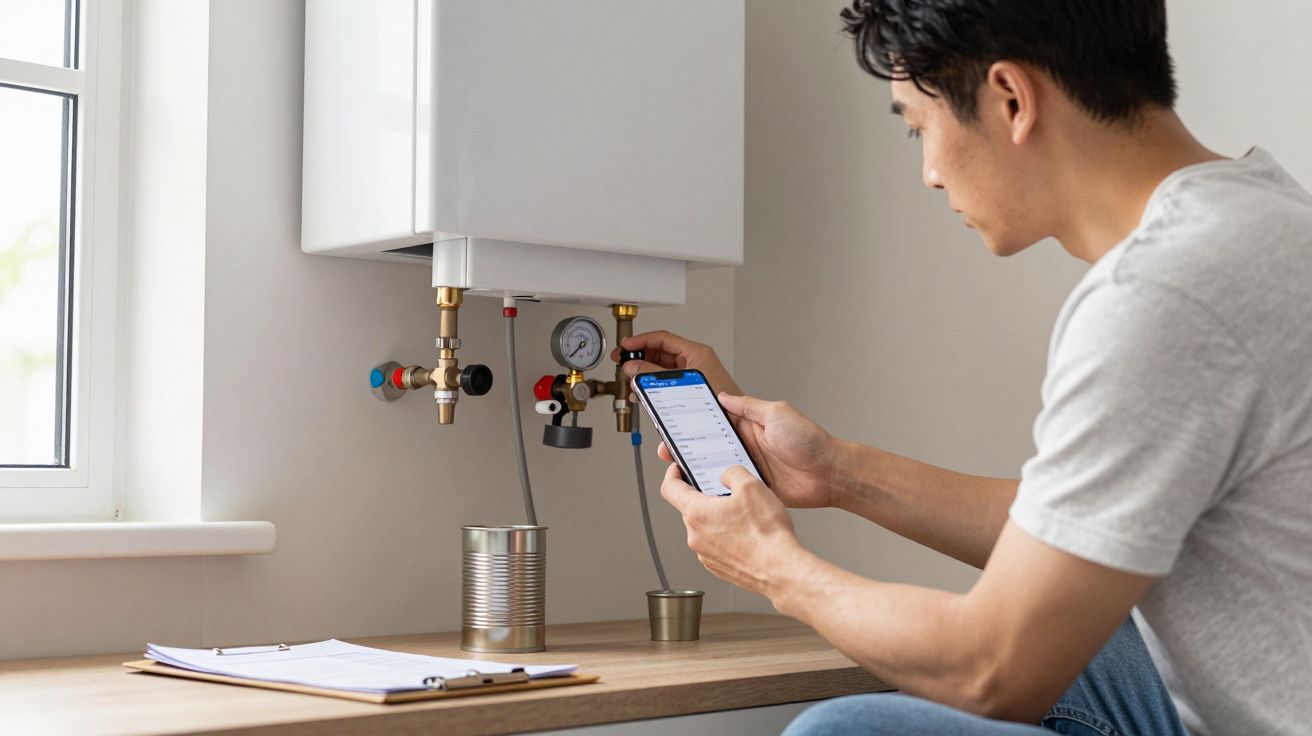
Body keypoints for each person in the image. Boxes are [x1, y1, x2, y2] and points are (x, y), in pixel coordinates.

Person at [609, 1, 1312, 734]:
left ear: (1011, 99)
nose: (930, 173)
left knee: (845, 733)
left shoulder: (1164, 296)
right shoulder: (1261, 218)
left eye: (920, 126)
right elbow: (1080, 525)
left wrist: (774, 566)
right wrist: (838, 473)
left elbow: (995, 672)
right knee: (1081, 625)